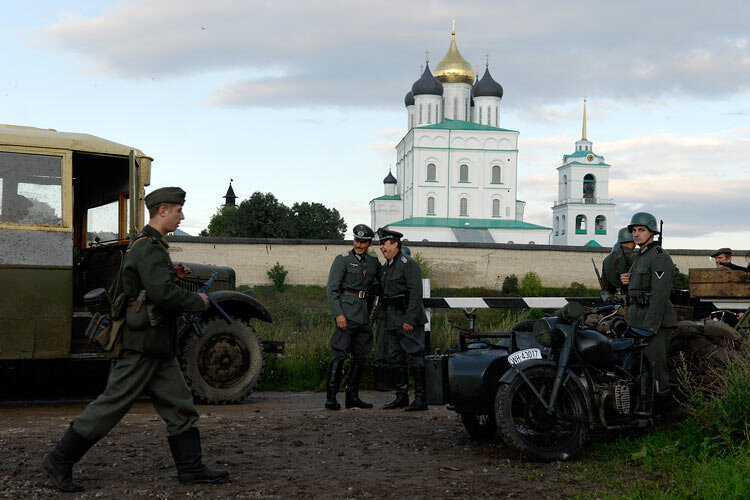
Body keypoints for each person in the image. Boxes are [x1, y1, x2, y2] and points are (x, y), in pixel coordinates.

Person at [42, 187, 228, 492]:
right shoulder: (148, 247)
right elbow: (161, 294)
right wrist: (200, 302)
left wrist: (172, 274)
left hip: (157, 346)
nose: (182, 215)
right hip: (141, 346)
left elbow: (150, 284)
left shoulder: (153, 246)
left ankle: (191, 469)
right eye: (179, 210)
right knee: (111, 405)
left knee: (180, 405)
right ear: (163, 210)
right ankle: (59, 460)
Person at [620, 212, 678, 410]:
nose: (636, 234)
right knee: (640, 366)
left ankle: (663, 410)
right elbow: (636, 292)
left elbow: (660, 296)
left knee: (655, 366)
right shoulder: (640, 256)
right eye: (634, 230)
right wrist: (625, 284)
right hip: (638, 318)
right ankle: (643, 408)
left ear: (651, 233)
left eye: (641, 230)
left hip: (656, 321)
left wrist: (650, 328)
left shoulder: (660, 257)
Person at [324, 224, 381, 410]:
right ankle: (331, 397)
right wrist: (338, 314)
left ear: (369, 243)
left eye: (363, 242)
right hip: (346, 314)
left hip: (364, 315)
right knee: (340, 354)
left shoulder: (373, 262)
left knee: (360, 356)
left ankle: (352, 397)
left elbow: (379, 284)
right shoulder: (342, 260)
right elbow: (332, 289)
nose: (359, 244)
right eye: (356, 240)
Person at [376, 228, 429, 411]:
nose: (381, 247)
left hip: (407, 320)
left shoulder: (408, 264)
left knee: (415, 356)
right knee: (397, 358)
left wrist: (410, 319)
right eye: (380, 244)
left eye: (384, 243)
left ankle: (421, 398)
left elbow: (415, 294)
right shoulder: (387, 267)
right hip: (392, 320)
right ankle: (401, 397)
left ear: (395, 244)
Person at [371, 245, 411, 391]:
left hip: (401, 314)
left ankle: (399, 380)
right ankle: (379, 379)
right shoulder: (384, 270)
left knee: (401, 349)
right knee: (381, 345)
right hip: (384, 313)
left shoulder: (408, 270)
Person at [600, 227, 637, 295]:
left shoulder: (607, 259)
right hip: (629, 299)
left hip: (612, 299)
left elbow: (604, 285)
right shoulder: (633, 257)